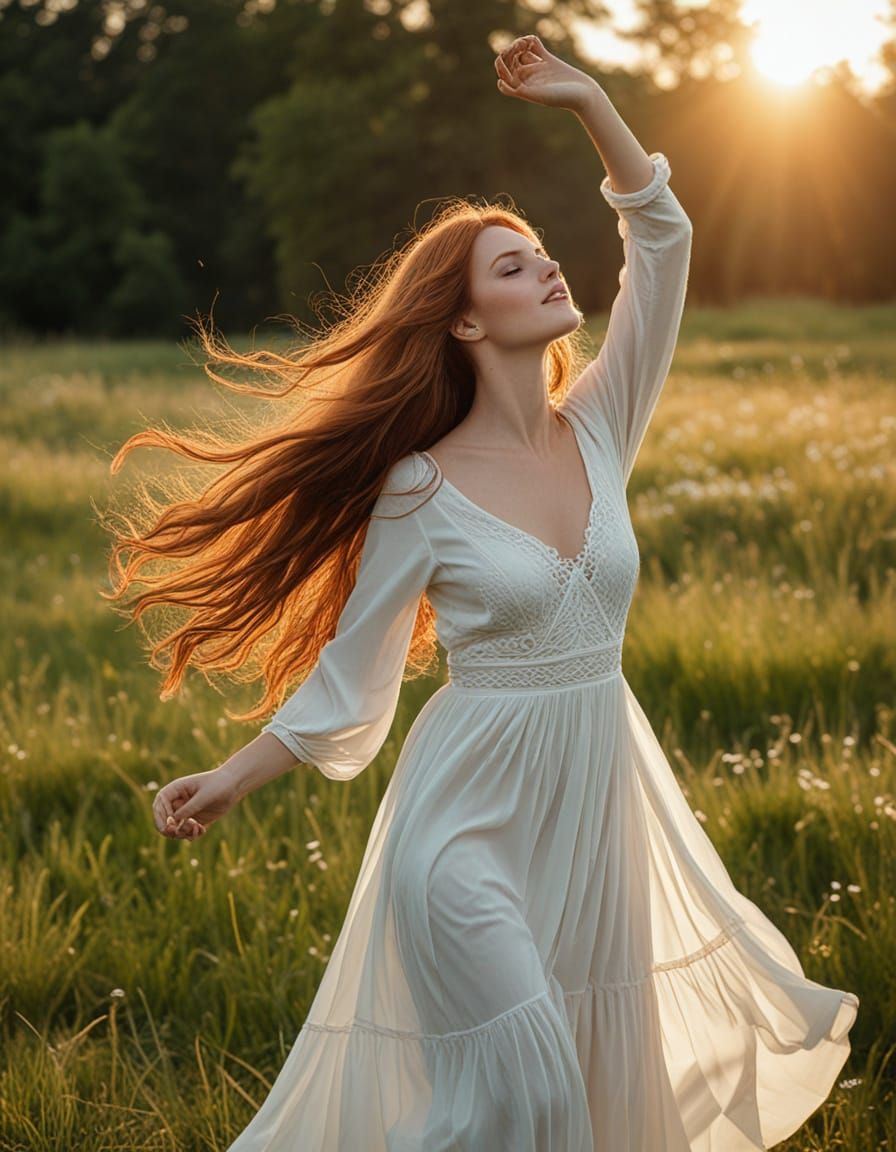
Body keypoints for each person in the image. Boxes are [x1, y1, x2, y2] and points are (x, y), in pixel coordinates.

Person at [110, 34, 859, 1152]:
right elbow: (351, 674)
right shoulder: (417, 490)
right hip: (461, 831)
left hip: (597, 817)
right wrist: (232, 776)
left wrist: (591, 102)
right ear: (463, 321)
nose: (548, 271)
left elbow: (661, 237)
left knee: (587, 1106)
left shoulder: (599, 426)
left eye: (542, 254)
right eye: (511, 267)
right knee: (530, 1093)